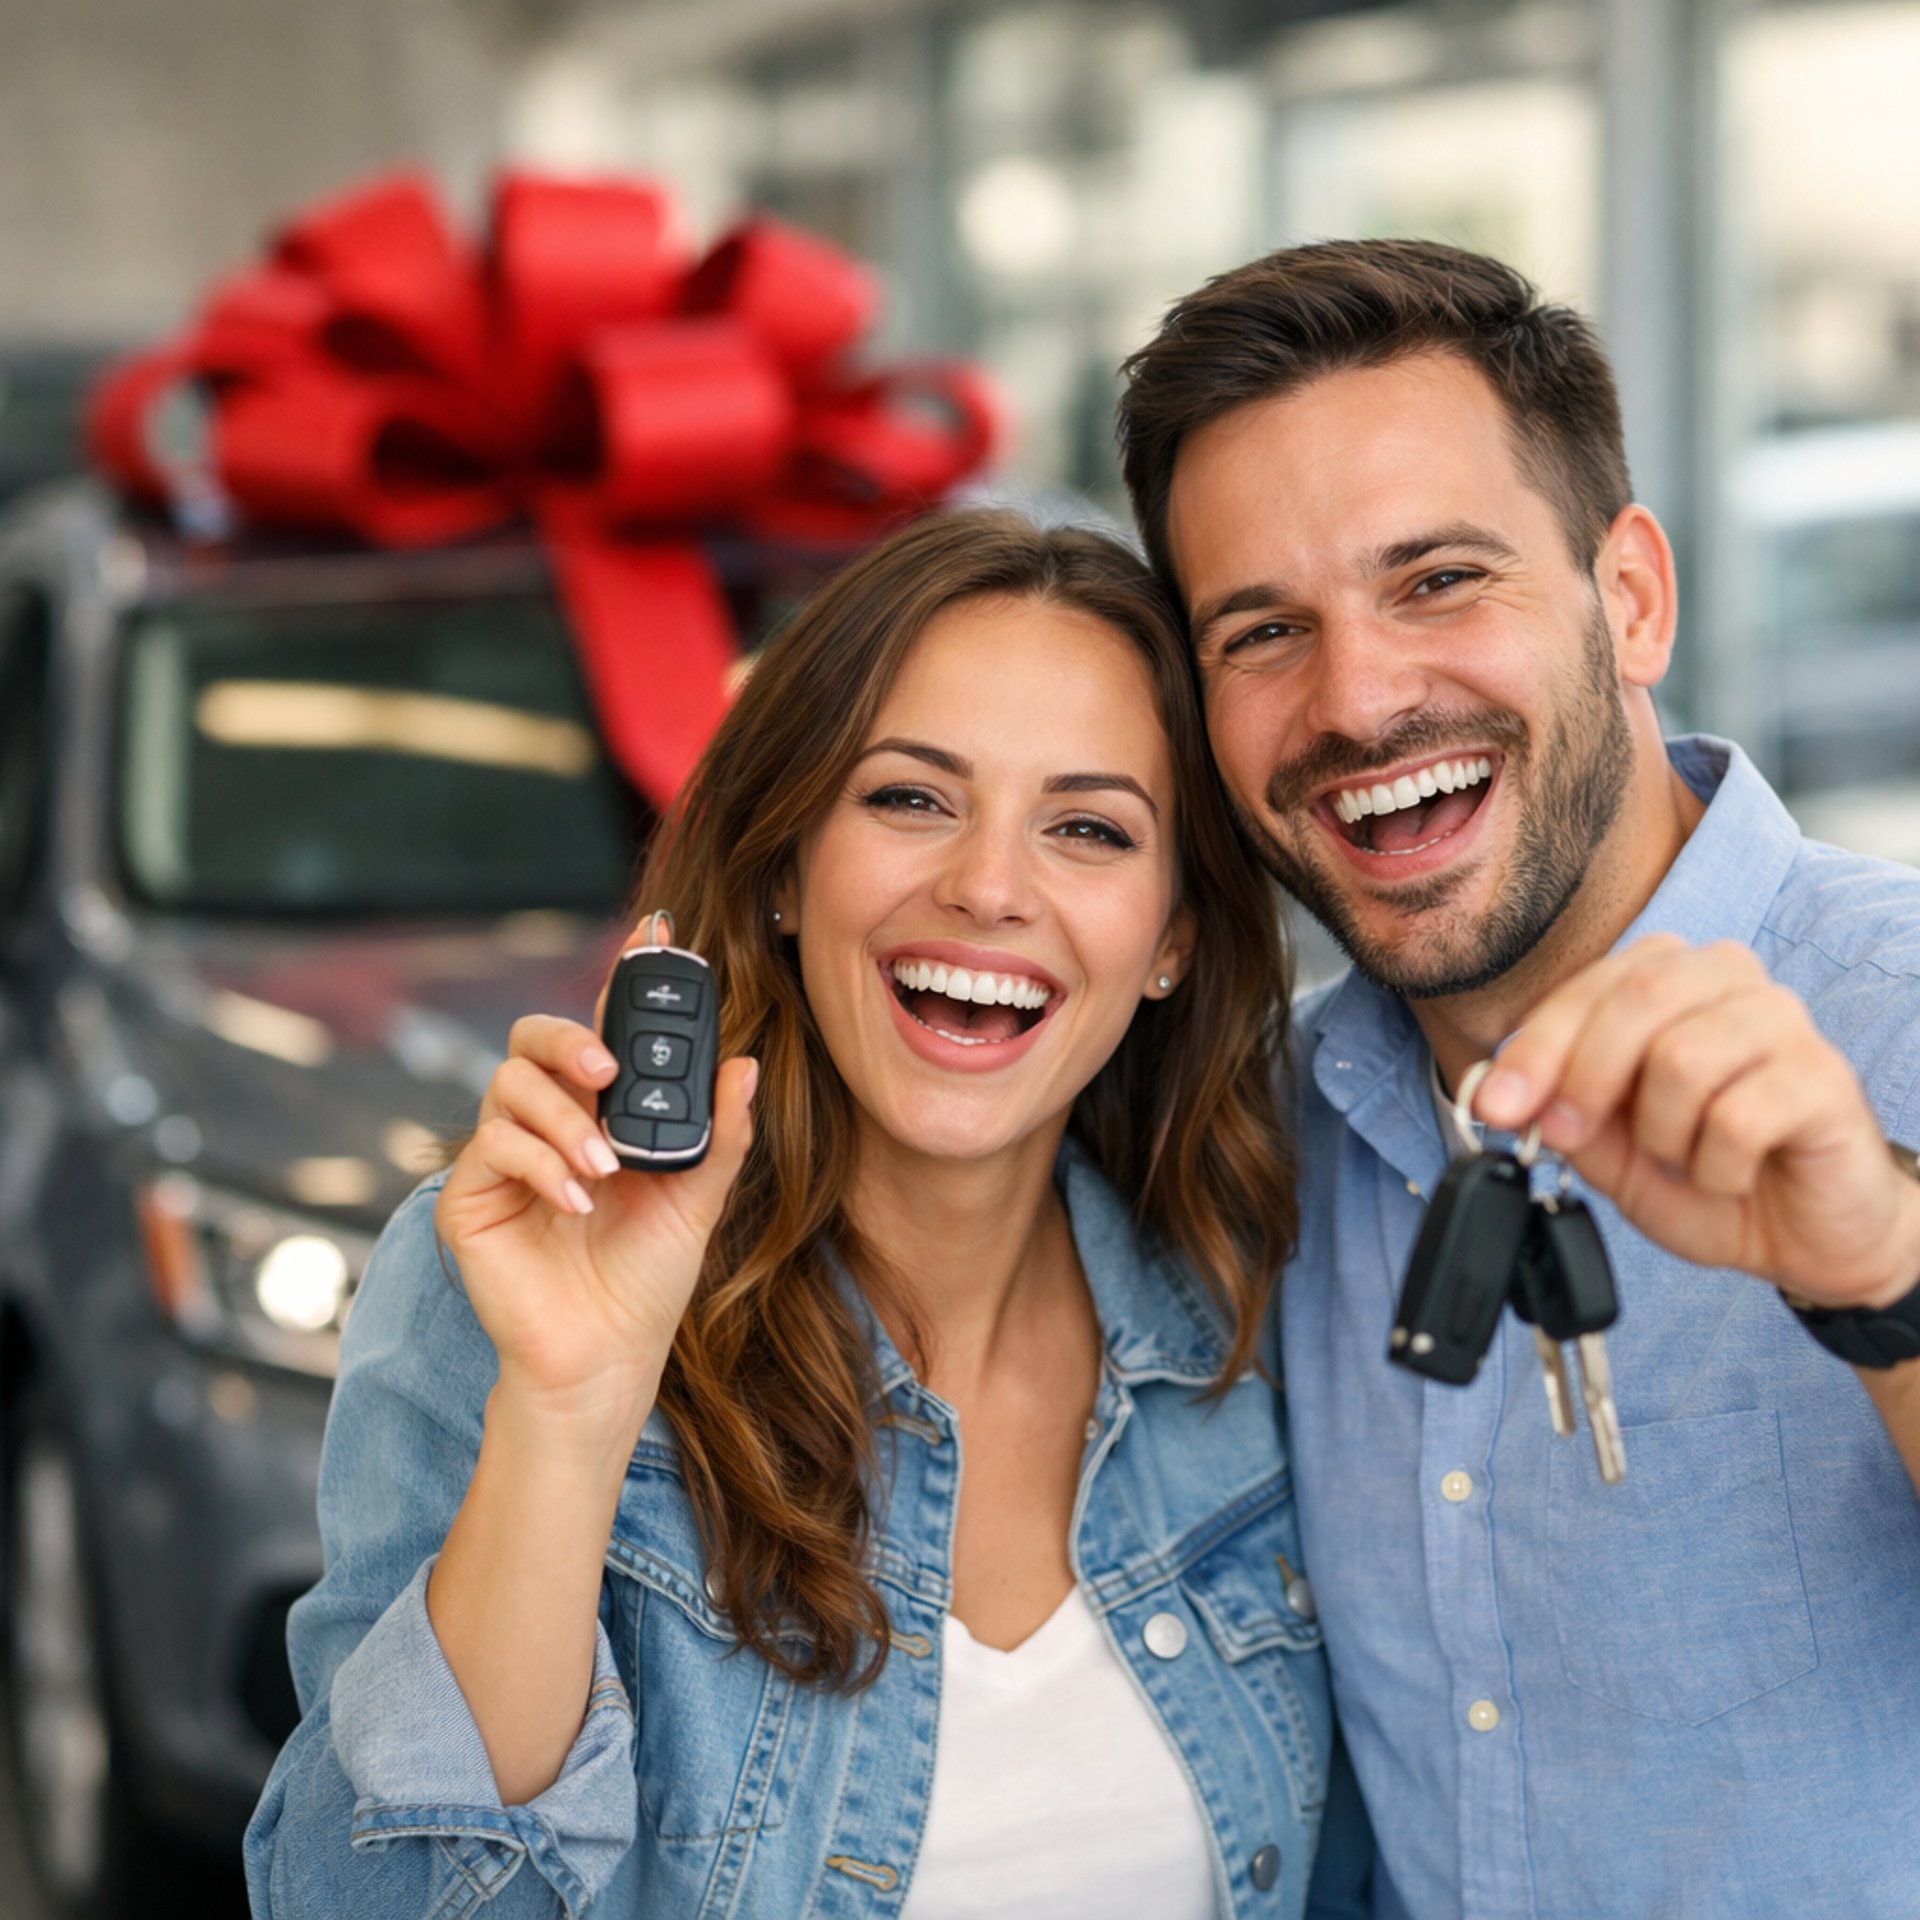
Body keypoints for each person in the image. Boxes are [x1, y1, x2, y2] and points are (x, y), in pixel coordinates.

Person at [244, 508, 1351, 1918]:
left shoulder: (1251, 1290)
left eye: (1088, 827)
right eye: (911, 799)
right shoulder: (510, 1280)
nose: (988, 887)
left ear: (1172, 938)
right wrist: (569, 1416)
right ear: (784, 866)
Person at [1115, 238, 1920, 1919]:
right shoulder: (1248, 1141)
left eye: (1437, 580)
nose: (1358, 699)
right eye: (1264, 631)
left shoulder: (1899, 1015)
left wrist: (1885, 1278)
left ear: (1630, 599)